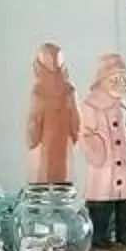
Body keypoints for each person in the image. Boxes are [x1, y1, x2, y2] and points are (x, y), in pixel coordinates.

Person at [76, 51, 126, 251]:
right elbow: (83, 132)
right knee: (102, 202)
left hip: (125, 165)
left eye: (123, 79)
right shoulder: (91, 106)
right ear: (102, 81)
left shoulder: (122, 104)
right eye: (115, 79)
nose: (120, 83)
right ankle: (99, 237)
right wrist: (96, 149)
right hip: (105, 166)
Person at [24, 42, 79, 188]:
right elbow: (76, 122)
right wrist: (76, 136)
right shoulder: (68, 89)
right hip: (63, 146)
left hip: (44, 147)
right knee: (62, 181)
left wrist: (31, 140)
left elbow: (34, 122)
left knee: (42, 182)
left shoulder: (38, 90)